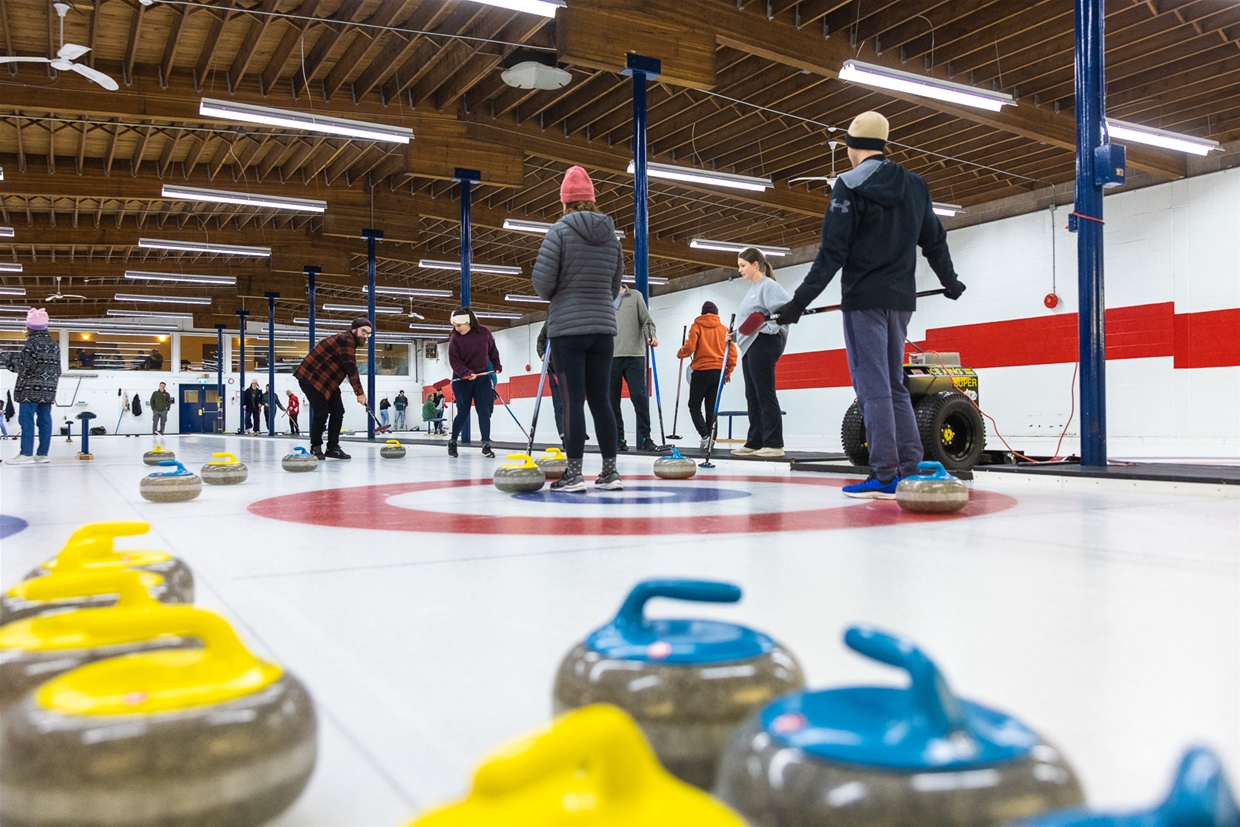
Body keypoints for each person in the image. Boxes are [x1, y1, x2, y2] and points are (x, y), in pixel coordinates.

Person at [772, 110, 966, 498]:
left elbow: (832, 253)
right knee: (894, 385)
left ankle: (884, 475)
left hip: (864, 301)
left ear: (849, 148)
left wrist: (797, 302)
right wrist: (949, 280)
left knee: (873, 388)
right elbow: (934, 241)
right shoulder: (915, 185)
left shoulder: (848, 186)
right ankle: (909, 466)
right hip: (902, 300)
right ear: (885, 144)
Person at [531, 165, 623, 492]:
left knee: (573, 401)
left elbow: (542, 285)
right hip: (603, 329)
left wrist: (565, 295)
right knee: (602, 401)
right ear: (592, 199)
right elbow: (615, 287)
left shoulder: (558, 232)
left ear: (564, 201)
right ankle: (610, 472)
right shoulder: (611, 236)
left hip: (568, 329)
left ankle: (574, 473)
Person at [732, 248, 792, 458]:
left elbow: (785, 311)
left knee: (764, 391)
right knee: (752, 394)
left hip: (764, 343)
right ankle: (755, 441)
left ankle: (774, 443)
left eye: (743, 265)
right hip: (749, 345)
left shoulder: (768, 286)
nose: (739, 269)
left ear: (755, 264)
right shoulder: (753, 289)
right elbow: (750, 322)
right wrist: (734, 335)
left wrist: (767, 330)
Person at [293, 316, 372, 460]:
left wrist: (357, 389)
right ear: (354, 329)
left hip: (328, 381)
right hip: (310, 379)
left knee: (338, 411)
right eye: (363, 332)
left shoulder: (348, 341)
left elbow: (346, 368)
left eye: (368, 333)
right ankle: (316, 447)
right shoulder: (346, 340)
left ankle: (332, 448)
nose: (365, 336)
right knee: (321, 412)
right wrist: (359, 393)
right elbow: (350, 367)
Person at [677, 301, 738, 449]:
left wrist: (681, 353)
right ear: (716, 314)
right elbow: (732, 353)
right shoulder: (724, 330)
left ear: (703, 313)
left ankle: (705, 435)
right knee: (712, 408)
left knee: (694, 405)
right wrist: (728, 372)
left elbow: (690, 347)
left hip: (701, 372)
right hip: (718, 373)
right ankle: (712, 438)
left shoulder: (696, 326)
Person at [5, 308, 61, 464]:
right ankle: (42, 454)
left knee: (26, 420)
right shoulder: (54, 344)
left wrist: (7, 359)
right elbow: (58, 369)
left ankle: (26, 454)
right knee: (45, 420)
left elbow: (22, 367)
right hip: (49, 389)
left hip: (30, 390)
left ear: (30, 326)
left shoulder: (32, 343)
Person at [610, 283, 659, 452]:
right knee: (612, 401)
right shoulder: (602, 299)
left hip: (635, 356)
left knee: (639, 397)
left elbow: (646, 321)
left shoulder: (635, 296)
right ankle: (618, 439)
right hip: (610, 358)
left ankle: (646, 437)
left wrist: (651, 336)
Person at [447, 308, 501, 459]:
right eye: (455, 325)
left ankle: (485, 444)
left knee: (484, 411)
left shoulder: (484, 333)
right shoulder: (455, 339)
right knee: (463, 412)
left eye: (459, 325)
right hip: (462, 379)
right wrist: (466, 372)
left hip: (482, 378)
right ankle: (452, 441)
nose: (457, 328)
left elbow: (492, 352)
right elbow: (454, 361)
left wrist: (497, 365)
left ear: (468, 321)